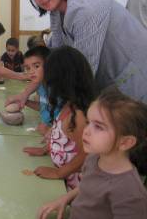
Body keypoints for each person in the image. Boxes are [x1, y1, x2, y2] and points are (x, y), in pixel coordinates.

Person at [16, 0, 147, 106]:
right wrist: (25, 93)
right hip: (108, 80)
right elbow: (56, 54)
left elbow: (82, 69)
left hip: (133, 76)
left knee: (132, 122)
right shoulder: (56, 9)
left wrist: (62, 114)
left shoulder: (86, 9)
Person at [37, 88, 147, 219]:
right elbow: (88, 187)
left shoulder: (129, 191)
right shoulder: (93, 158)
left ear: (125, 142)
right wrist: (65, 199)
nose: (86, 131)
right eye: (89, 122)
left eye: (99, 127)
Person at [23, 46, 96, 191]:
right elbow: (61, 137)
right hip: (61, 180)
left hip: (74, 187)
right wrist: (46, 149)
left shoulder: (78, 116)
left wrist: (58, 172)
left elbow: (87, 154)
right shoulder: (67, 106)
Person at [21, 46, 60, 135]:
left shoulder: (58, 88)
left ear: (49, 65)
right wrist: (26, 102)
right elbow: (44, 107)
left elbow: (66, 115)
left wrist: (52, 129)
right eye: (28, 68)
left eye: (36, 66)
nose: (31, 71)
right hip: (46, 129)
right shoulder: (40, 86)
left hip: (57, 133)